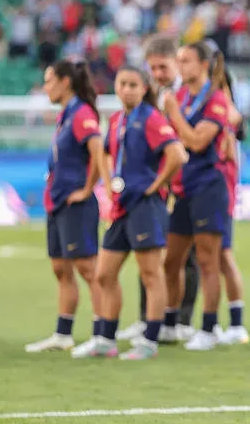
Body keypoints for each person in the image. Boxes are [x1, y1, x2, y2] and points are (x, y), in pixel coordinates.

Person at [72, 66, 187, 360]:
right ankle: (106, 340)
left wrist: (155, 187)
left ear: (144, 89)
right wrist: (109, 183)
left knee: (151, 274)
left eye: (133, 84)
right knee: (104, 274)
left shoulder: (150, 118)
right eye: (122, 84)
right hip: (123, 206)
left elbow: (177, 154)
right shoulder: (116, 119)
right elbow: (107, 154)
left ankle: (149, 342)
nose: (126, 89)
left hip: (146, 207)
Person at [116, 35, 199, 345]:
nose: (158, 73)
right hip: (160, 190)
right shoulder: (151, 97)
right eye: (153, 68)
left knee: (184, 258)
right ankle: (147, 319)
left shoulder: (188, 95)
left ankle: (180, 319)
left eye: (163, 67)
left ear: (176, 63)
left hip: (186, 185)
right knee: (147, 254)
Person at [26, 60, 107, 353]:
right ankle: (63, 334)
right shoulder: (66, 115)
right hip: (57, 202)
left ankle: (102, 333)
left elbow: (98, 149)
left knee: (88, 269)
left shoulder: (82, 113)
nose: (45, 87)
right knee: (61, 268)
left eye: (49, 81)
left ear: (65, 82)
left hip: (76, 204)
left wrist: (88, 189)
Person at [164, 42, 232, 352]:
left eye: (186, 60)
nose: (181, 66)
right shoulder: (180, 97)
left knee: (208, 260)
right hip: (181, 188)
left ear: (203, 64)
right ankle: (171, 322)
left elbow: (196, 141)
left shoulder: (215, 100)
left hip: (208, 186)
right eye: (178, 60)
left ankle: (208, 328)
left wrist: (174, 115)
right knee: (171, 260)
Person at [211, 55, 249, 346]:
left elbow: (234, 123)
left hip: (219, 185)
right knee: (216, 255)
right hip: (216, 185)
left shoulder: (221, 103)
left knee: (222, 254)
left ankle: (236, 323)